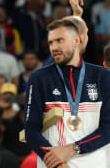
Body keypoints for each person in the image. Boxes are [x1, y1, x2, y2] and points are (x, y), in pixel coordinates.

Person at [25, 18, 110, 168]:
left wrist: (74, 148)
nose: (54, 47)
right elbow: (31, 130)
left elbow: (108, 128)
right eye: (51, 42)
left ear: (77, 41)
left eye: (59, 40)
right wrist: (56, 162)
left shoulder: (102, 76)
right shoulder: (39, 78)